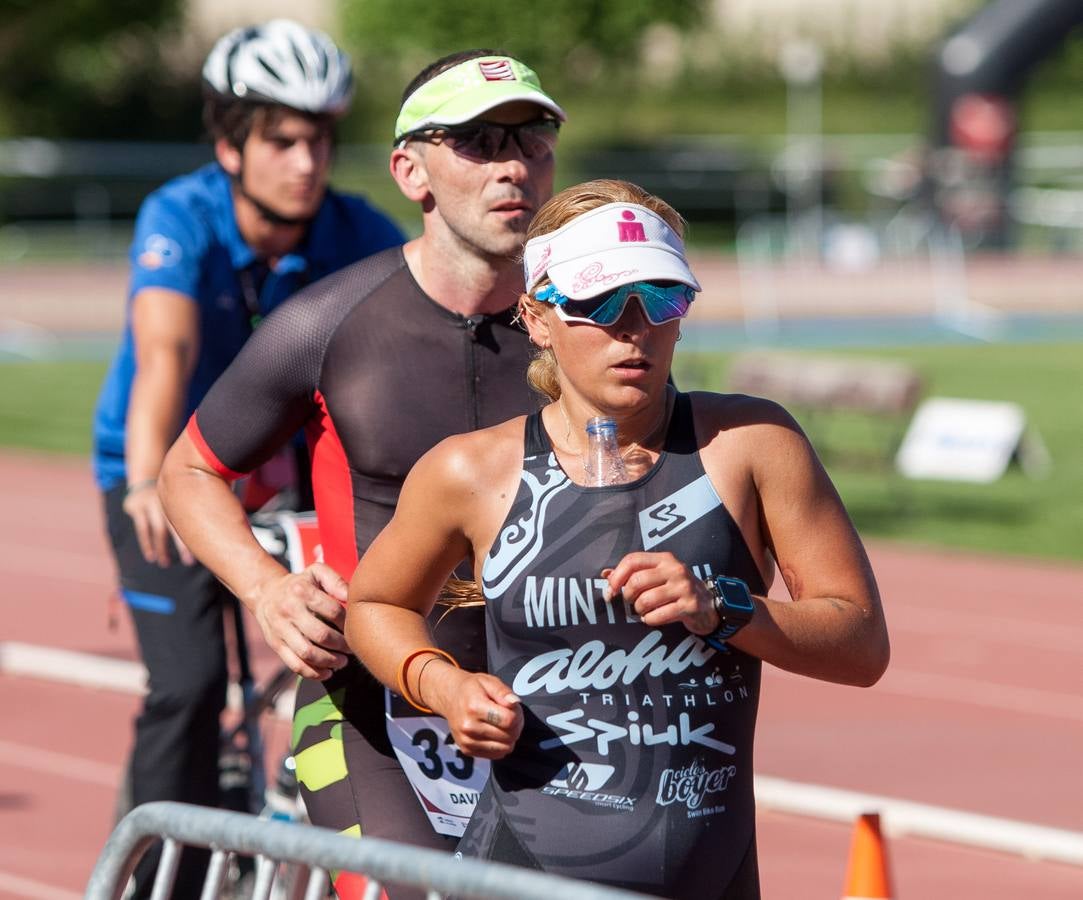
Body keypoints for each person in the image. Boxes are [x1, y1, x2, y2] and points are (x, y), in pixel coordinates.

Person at [345, 180, 891, 898]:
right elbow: (374, 604)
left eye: (659, 300)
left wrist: (723, 606)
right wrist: (442, 686)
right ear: (537, 317)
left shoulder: (749, 444)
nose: (633, 328)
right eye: (600, 303)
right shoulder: (469, 470)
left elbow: (860, 646)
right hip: (518, 874)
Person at [158, 50, 565, 897]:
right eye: (479, 142)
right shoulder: (327, 324)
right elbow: (190, 470)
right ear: (409, 170)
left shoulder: (583, 323)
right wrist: (266, 590)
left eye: (532, 141)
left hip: (550, 705)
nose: (512, 167)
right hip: (368, 711)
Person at [91, 19, 404, 897]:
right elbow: (164, 356)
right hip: (160, 461)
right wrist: (153, 478)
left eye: (321, 139)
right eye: (282, 139)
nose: (306, 161)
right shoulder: (180, 216)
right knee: (188, 686)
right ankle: (145, 875)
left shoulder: (356, 230)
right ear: (231, 145)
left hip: (296, 466)